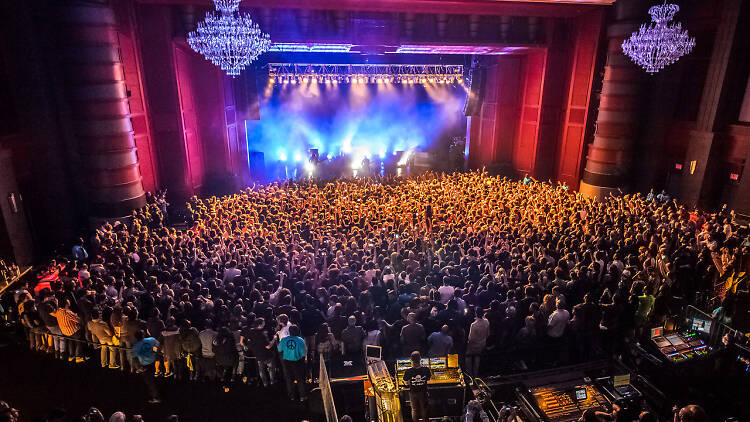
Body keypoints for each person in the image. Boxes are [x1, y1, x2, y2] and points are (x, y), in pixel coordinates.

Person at [278, 324, 307, 401]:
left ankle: (292, 396)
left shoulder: (283, 340)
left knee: (289, 379)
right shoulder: (300, 340)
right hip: (298, 362)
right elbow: (303, 353)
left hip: (287, 362)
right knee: (300, 379)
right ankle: (302, 396)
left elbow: (279, 350)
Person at [245, 318, 276, 387]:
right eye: (263, 323)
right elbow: (268, 346)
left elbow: (249, 344)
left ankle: (265, 383)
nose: (264, 324)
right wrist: (274, 339)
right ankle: (272, 382)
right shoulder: (262, 335)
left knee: (261, 370)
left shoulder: (251, 332)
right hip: (267, 354)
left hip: (257, 354)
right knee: (271, 369)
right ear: (260, 325)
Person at [132, 330, 160, 404]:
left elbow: (135, 359)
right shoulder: (151, 339)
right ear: (143, 334)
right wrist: (155, 352)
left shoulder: (135, 346)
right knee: (154, 380)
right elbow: (157, 345)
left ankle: (155, 398)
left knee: (150, 383)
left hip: (145, 366)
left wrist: (139, 368)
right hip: (155, 362)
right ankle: (155, 396)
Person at [402, 351, 431, 422]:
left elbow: (406, 382)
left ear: (411, 360)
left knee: (414, 409)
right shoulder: (426, 369)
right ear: (420, 358)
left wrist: (411, 382)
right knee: (424, 408)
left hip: (413, 393)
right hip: (423, 392)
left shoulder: (408, 371)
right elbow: (429, 379)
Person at [466, 308, 489, 378]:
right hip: (482, 343)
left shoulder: (473, 325)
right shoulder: (487, 322)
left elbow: (471, 338)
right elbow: (488, 334)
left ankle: (469, 373)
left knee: (467, 356)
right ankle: (475, 374)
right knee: (477, 357)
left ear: (476, 313)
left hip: (473, 344)